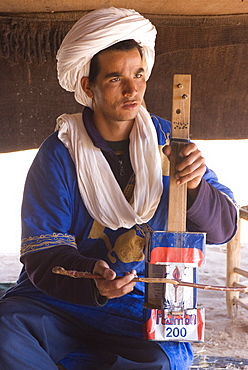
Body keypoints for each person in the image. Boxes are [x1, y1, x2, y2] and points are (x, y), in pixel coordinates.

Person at [0, 7, 237, 370]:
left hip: (140, 303)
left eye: (139, 74)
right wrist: (94, 281)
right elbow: (42, 255)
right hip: (56, 303)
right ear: (87, 86)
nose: (133, 89)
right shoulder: (60, 153)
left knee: (163, 360)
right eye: (115, 78)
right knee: (6, 333)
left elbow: (224, 229)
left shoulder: (171, 144)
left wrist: (194, 188)